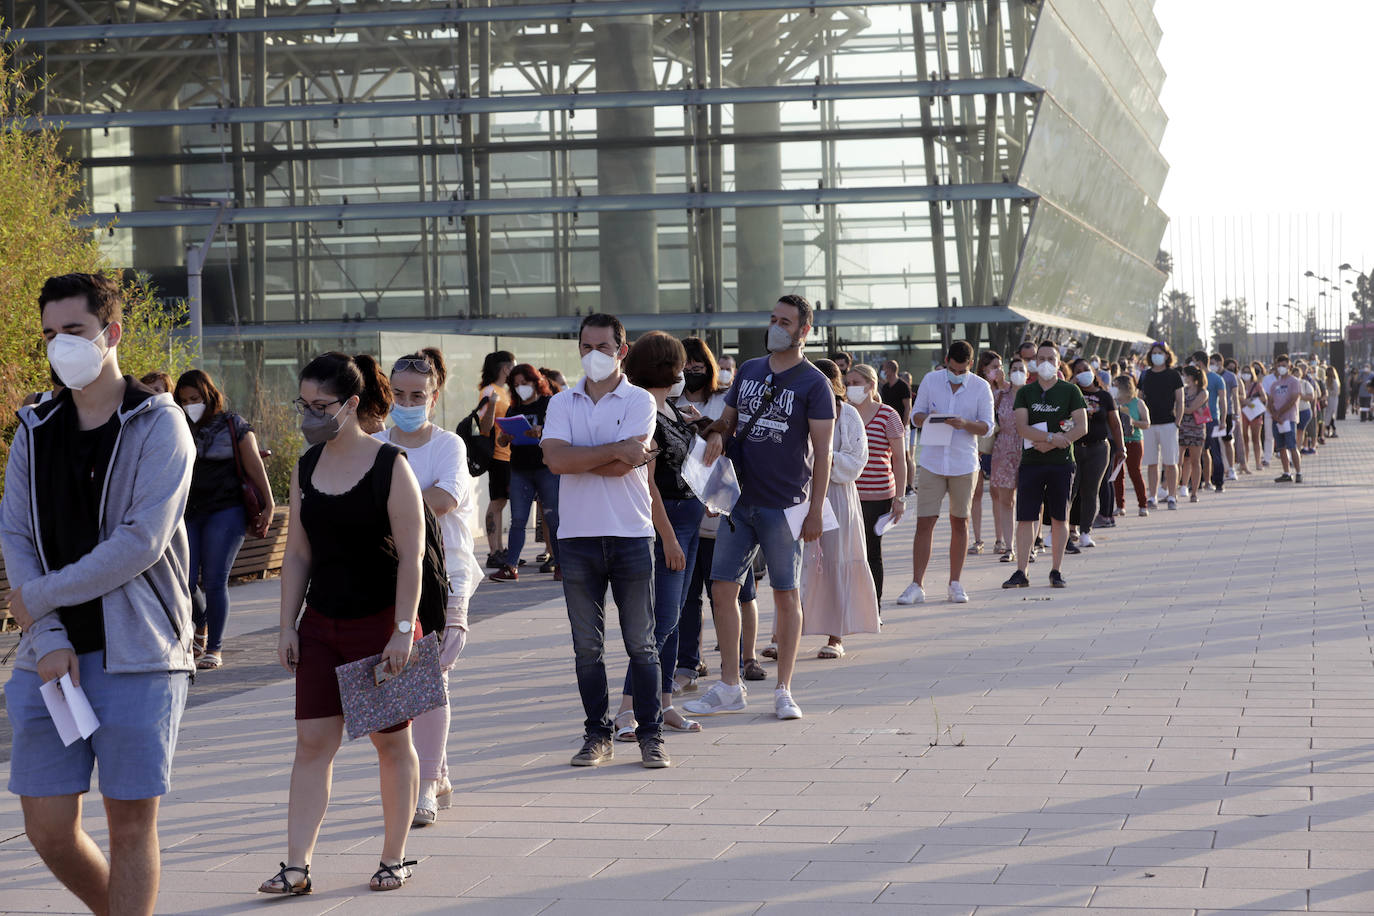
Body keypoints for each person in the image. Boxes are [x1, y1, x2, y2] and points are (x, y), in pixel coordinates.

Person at [3, 273, 195, 916]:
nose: (61, 346)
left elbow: (141, 541)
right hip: (49, 658)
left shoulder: (159, 423)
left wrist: (40, 596)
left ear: (110, 333)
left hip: (137, 651)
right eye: (50, 334)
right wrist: (48, 631)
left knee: (130, 827)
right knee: (49, 829)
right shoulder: (35, 425)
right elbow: (16, 532)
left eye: (75, 331)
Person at [262, 352, 425, 895]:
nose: (309, 415)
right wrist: (286, 625)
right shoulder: (304, 467)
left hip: (379, 625)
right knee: (311, 743)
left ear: (351, 404)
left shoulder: (390, 465)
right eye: (303, 404)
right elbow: (299, 555)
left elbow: (412, 558)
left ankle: (393, 858)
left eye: (321, 406)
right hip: (321, 626)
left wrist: (402, 632)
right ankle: (295, 866)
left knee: (390, 742)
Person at [685, 294, 835, 721]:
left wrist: (815, 511)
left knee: (786, 595)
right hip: (739, 502)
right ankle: (729, 684)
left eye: (785, 321)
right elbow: (728, 422)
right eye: (772, 318)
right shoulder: (749, 370)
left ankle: (784, 688)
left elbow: (822, 453)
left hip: (785, 505)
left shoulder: (814, 383)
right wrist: (715, 436)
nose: (776, 326)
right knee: (722, 588)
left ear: (804, 330)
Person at [542, 314, 667, 768]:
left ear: (622, 350)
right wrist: (610, 450)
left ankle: (650, 734)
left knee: (641, 642)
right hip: (576, 537)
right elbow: (554, 461)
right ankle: (597, 734)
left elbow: (621, 467)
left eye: (603, 347)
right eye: (585, 346)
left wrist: (577, 458)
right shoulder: (562, 403)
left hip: (630, 532)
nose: (593, 355)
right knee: (587, 647)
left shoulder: (639, 401)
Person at [376, 348, 484, 828]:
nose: (407, 401)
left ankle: (424, 787)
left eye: (417, 395)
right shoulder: (374, 444)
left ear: (434, 397)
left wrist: (388, 509)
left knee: (433, 676)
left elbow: (442, 499)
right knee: (409, 678)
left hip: (447, 577)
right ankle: (436, 772)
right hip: (391, 576)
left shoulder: (448, 446)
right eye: (398, 393)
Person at [610, 332, 707, 739]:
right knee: (660, 622)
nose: (687, 371)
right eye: (682, 364)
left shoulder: (670, 409)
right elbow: (646, 483)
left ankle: (664, 702)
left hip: (689, 520)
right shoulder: (646, 409)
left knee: (672, 621)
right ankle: (626, 710)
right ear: (668, 367)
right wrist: (667, 537)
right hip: (668, 522)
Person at [673, 338, 764, 690]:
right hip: (687, 509)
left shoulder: (725, 400)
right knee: (689, 592)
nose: (693, 369)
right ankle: (688, 662)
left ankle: (747, 656)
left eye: (699, 363)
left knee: (739, 590)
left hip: (728, 509)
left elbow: (736, 438)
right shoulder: (668, 402)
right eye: (686, 364)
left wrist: (710, 426)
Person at [174, 369, 275, 669]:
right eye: (184, 400)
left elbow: (255, 466)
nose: (190, 404)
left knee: (216, 580)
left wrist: (268, 504)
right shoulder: (179, 425)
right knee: (185, 580)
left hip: (226, 510)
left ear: (208, 395)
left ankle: (213, 648)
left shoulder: (234, 424)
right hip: (189, 512)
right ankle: (198, 628)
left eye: (195, 398)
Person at [896, 340, 994, 605]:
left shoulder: (980, 386)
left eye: (962, 370)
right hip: (932, 461)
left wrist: (965, 424)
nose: (957, 374)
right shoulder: (931, 380)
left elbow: (987, 426)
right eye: (953, 368)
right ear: (947, 360)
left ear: (970, 365)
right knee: (925, 522)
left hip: (964, 463)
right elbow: (915, 416)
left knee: (959, 521)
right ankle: (917, 584)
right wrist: (929, 418)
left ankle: (955, 583)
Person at [802, 359, 879, 658]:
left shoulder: (848, 414)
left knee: (836, 561)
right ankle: (783, 633)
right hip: (801, 491)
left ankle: (836, 635)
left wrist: (824, 459)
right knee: (797, 564)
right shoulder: (800, 411)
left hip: (836, 493)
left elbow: (856, 459)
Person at [1002, 340, 1088, 589]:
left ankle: (1056, 570)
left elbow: (1082, 426)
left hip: (1061, 463)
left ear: (1059, 363)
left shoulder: (1070, 391)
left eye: (1052, 359)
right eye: (1042, 359)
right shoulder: (1026, 392)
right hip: (1031, 463)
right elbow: (1021, 427)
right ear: (1034, 363)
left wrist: (1053, 444)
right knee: (1026, 518)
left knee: (1060, 518)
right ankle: (1021, 571)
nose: (1046, 363)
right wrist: (1051, 437)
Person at [490, 364, 560, 581]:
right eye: (517, 385)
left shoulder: (549, 404)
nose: (521, 388)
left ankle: (561, 564)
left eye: (525, 383)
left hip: (546, 468)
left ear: (536, 382)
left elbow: (560, 431)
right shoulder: (513, 409)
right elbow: (502, 439)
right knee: (518, 519)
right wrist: (506, 437)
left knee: (553, 517)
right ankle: (511, 566)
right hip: (520, 469)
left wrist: (542, 431)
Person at [847, 363, 906, 604]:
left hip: (879, 494)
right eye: (848, 384)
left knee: (872, 551)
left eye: (856, 383)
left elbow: (900, 460)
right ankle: (854, 605)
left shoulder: (888, 415)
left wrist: (900, 498)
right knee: (849, 553)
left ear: (871, 385)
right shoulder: (843, 413)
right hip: (849, 493)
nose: (851, 388)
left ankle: (874, 605)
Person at [1067, 358, 1121, 548]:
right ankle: (1066, 529)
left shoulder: (1104, 396)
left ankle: (1085, 532)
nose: (1083, 373)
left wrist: (1121, 447)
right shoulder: (1071, 393)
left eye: (1086, 370)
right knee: (1071, 491)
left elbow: (1115, 423)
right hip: (1074, 447)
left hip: (1098, 448)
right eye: (1078, 371)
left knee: (1090, 491)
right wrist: (1071, 385)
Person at [477, 350, 515, 568]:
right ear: (505, 368)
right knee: (497, 501)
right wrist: (491, 404)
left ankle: (500, 549)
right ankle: (494, 550)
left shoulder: (505, 391)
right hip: (498, 455)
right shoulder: (490, 391)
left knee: (501, 502)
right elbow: (485, 427)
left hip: (509, 454)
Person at [1137, 340, 1184, 511]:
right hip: (1149, 425)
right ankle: (1153, 496)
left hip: (1168, 423)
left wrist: (1177, 422)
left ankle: (1172, 495)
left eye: (1160, 352)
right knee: (1151, 462)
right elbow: (1139, 398)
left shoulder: (1173, 375)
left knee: (1170, 462)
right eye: (1154, 353)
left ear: (1166, 355)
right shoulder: (1145, 375)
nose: (1157, 355)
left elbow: (1180, 400)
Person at [989, 356, 1026, 560]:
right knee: (1006, 500)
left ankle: (1032, 543)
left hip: (1029, 447)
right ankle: (1009, 546)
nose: (1018, 371)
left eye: (1022, 368)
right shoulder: (1000, 396)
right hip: (1003, 449)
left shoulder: (1034, 394)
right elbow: (985, 417)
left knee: (1031, 499)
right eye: (1015, 368)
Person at [968, 350, 1002, 555]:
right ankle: (978, 538)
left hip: (999, 446)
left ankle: (1000, 539)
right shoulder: (977, 388)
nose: (998, 371)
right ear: (984, 369)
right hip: (979, 445)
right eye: (994, 367)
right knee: (976, 493)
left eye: (1000, 367)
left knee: (998, 494)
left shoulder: (1004, 390)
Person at [1112, 373, 1151, 517]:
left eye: (1116, 386)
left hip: (1134, 441)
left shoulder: (1138, 402)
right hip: (1118, 441)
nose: (1114, 389)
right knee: (1117, 475)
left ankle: (1143, 504)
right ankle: (1120, 505)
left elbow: (1147, 423)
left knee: (1135, 473)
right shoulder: (1114, 402)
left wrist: (1133, 421)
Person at [1190, 351, 1227, 493]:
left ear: (1199, 362)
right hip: (1195, 418)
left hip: (1211, 419)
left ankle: (1218, 481)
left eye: (1194, 361)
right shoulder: (1194, 379)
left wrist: (1223, 420)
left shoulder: (1217, 379)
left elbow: (1222, 400)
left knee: (1214, 450)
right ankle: (1197, 482)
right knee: (1197, 452)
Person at [878, 359, 914, 494]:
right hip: (888, 427)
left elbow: (907, 408)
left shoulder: (903, 386)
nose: (883, 371)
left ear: (891, 370)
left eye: (884, 369)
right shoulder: (886, 387)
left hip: (902, 427)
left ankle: (909, 485)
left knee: (905, 455)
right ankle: (897, 483)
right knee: (892, 455)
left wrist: (903, 427)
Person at [1269, 355, 1303, 483]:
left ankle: (1298, 472)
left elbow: (1293, 399)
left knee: (1292, 446)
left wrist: (1279, 413)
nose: (1281, 368)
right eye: (1279, 366)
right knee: (1281, 447)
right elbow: (1270, 401)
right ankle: (1286, 473)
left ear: (1289, 366)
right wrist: (1274, 414)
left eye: (1284, 365)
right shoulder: (1275, 384)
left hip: (1289, 419)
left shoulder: (1294, 382)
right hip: (1277, 420)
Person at [1178, 365, 1208, 503]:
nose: (1183, 377)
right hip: (1181, 428)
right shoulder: (1182, 390)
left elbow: (1190, 409)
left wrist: (1178, 409)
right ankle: (1173, 490)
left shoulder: (1202, 392)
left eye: (1185, 375)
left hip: (1195, 430)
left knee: (1195, 461)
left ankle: (1194, 492)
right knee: (1177, 460)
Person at [1239, 361, 1267, 472]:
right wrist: (1243, 401)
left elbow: (1264, 398)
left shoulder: (1257, 385)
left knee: (1256, 438)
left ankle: (1258, 462)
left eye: (1248, 372)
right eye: (1244, 372)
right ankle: (1244, 463)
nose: (1246, 375)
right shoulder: (1239, 384)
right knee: (1244, 439)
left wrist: (1251, 400)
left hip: (1254, 413)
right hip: (1243, 413)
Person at [1324, 365, 1341, 438]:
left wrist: (1328, 392)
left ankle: (1332, 431)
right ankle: (1328, 431)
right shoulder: (1326, 381)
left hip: (1332, 400)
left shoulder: (1334, 381)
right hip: (1329, 400)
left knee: (1331, 416)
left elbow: (1336, 392)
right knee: (1328, 416)